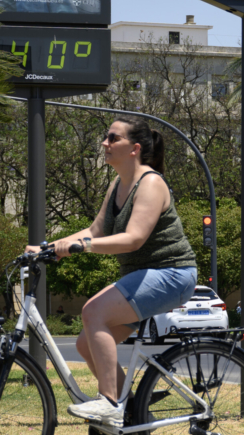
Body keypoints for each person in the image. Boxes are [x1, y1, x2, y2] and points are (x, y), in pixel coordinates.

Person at [25, 117, 197, 428]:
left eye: (112, 138)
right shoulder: (118, 184)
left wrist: (84, 247)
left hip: (172, 273)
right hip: (144, 276)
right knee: (84, 344)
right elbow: (95, 229)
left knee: (93, 312)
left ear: (134, 149)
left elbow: (133, 239)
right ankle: (133, 411)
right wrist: (49, 248)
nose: (105, 143)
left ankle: (109, 402)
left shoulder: (151, 182)